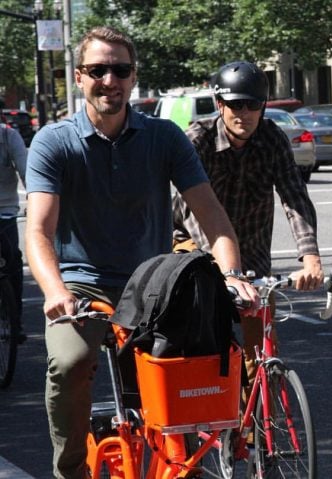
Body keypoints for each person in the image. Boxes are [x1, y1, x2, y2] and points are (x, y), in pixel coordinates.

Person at [25, 27, 257, 479]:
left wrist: (231, 274)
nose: (109, 80)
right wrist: (55, 293)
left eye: (121, 70)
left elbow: (212, 217)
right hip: (80, 285)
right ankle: (69, 469)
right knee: (70, 362)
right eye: (98, 70)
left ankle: (181, 465)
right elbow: (38, 230)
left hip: (153, 288)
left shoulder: (164, 137)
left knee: (182, 384)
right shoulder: (54, 142)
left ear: (133, 78)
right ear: (79, 77)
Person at [172, 60, 324, 401]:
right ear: (219, 105)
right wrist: (225, 268)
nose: (244, 113)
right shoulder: (197, 140)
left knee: (262, 347)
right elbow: (189, 208)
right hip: (194, 247)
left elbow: (294, 197)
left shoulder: (272, 139)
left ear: (263, 106)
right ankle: (207, 408)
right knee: (205, 336)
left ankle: (261, 437)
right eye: (235, 104)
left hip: (253, 253)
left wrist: (310, 256)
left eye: (252, 104)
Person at [0, 122, 27, 343]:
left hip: (5, 211)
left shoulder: (9, 137)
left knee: (12, 261)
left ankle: (15, 322)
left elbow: (28, 172)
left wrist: (37, 199)